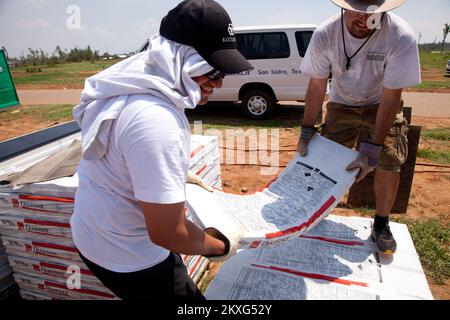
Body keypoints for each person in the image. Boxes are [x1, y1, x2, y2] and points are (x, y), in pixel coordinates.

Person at [70, 0, 252, 300]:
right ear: (179, 58)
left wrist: (165, 174)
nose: (217, 85)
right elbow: (169, 234)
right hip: (129, 258)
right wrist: (219, 246)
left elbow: (124, 152)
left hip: (94, 234)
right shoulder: (157, 121)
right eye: (213, 72)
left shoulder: (131, 80)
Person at [297, 0, 420, 254]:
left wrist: (373, 148)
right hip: (342, 103)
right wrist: (308, 130)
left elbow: (390, 97)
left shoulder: (401, 36)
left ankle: (381, 223)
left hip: (380, 104)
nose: (363, 20)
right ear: (344, 7)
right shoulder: (325, 34)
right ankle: (317, 213)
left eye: (371, 13)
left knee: (389, 159)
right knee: (326, 158)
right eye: (356, 12)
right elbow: (317, 86)